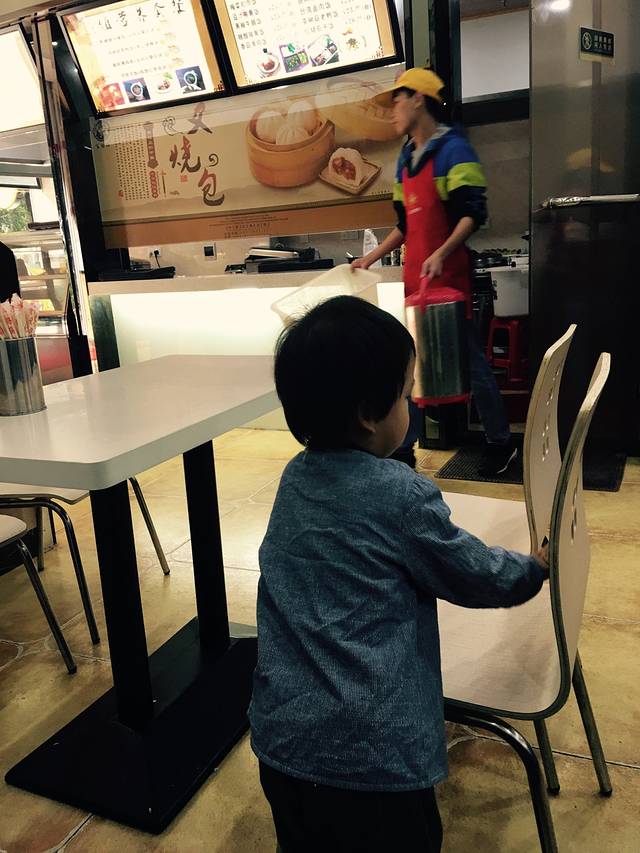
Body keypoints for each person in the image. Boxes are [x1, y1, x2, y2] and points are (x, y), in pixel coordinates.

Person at [249, 296, 549, 853]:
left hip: (283, 745)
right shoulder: (400, 495)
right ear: (369, 414)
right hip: (374, 759)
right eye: (406, 394)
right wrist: (531, 570)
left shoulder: (294, 479)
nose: (410, 405)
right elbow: (473, 574)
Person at [352, 68, 516, 476]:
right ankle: (404, 450)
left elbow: (473, 215)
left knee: (471, 364)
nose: (392, 111)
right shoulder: (406, 158)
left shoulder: (454, 150)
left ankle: (500, 443)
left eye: (397, 101)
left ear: (418, 99)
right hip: (416, 283)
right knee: (410, 363)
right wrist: (370, 259)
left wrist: (442, 253)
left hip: (449, 282)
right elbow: (405, 225)